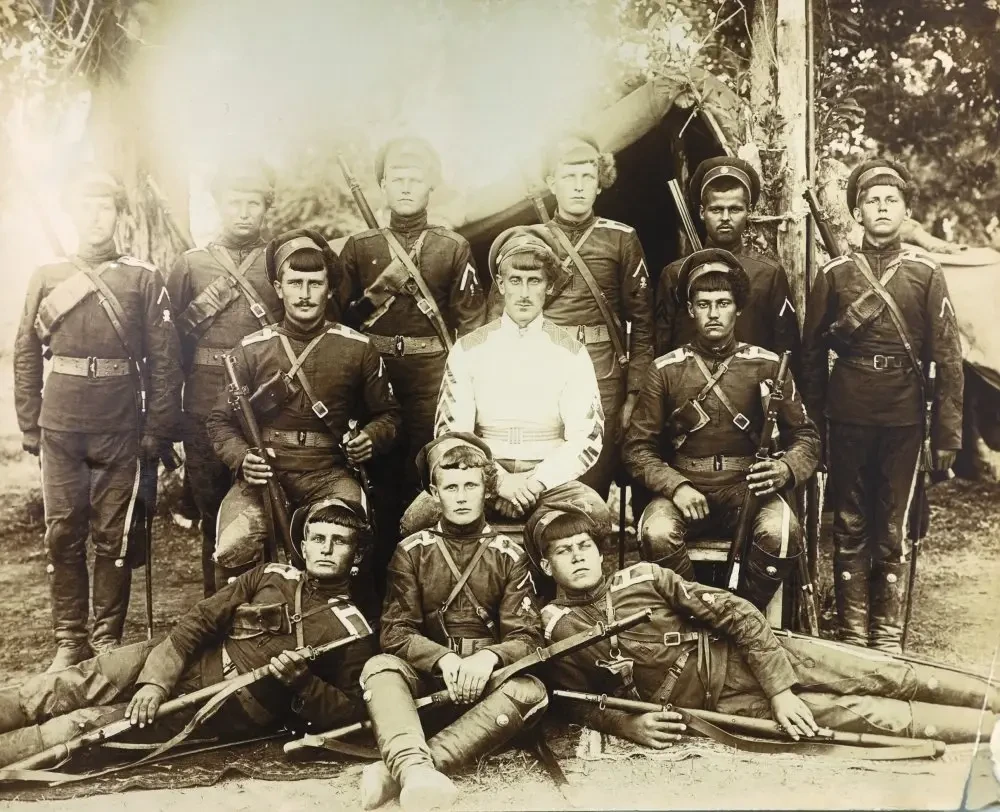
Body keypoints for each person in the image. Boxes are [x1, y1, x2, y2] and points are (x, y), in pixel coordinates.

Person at [528, 502, 998, 748]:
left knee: (886, 674)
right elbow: (570, 702)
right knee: (869, 716)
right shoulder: (558, 631)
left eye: (585, 546)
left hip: (756, 654)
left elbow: (738, 613)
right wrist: (628, 725)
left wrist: (779, 689)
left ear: (601, 552)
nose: (578, 557)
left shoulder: (646, 577)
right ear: (548, 567)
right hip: (723, 705)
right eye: (565, 552)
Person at [0, 498, 376, 768]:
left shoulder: (352, 631)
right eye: (318, 538)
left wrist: (304, 683)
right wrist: (155, 682)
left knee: (78, 728)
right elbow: (201, 619)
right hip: (180, 654)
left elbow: (348, 715)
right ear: (304, 546)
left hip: (220, 705)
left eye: (340, 541)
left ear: (356, 555)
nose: (326, 548)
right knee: (63, 685)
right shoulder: (270, 575)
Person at [13, 167, 183, 670]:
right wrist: (29, 422)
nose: (94, 217)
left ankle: (106, 641)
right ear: (71, 213)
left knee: (116, 535)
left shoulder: (142, 277)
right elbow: (26, 350)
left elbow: (165, 358)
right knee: (62, 533)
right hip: (61, 424)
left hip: (120, 424)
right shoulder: (48, 276)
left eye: (104, 207)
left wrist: (157, 429)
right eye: (84, 207)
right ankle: (70, 640)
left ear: (118, 216)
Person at [801, 159, 963, 653]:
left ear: (907, 210)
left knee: (893, 524)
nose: (883, 208)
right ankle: (852, 632)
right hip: (848, 413)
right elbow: (811, 359)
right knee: (849, 522)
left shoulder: (926, 272)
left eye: (892, 200)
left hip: (904, 415)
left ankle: (886, 635)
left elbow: (948, 357)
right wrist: (812, 430)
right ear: (857, 212)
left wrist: (947, 434)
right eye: (872, 201)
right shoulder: (834, 275)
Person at [358, 433, 547, 812]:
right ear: (434, 492)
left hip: (487, 688)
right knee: (379, 668)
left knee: (531, 690)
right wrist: (443, 660)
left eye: (471, 486)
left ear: (487, 491)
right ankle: (416, 771)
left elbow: (528, 636)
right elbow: (395, 631)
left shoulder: (509, 555)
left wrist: (488, 659)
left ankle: (406, 771)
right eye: (451, 487)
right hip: (430, 685)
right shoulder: (411, 552)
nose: (461, 497)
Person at [205, 230, 401, 595]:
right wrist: (242, 458)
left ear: (329, 289)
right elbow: (219, 421)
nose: (305, 293)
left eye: (315, 283)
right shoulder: (251, 349)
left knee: (344, 544)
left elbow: (389, 416)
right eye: (296, 283)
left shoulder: (357, 348)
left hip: (328, 474)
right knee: (233, 545)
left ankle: (338, 620)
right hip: (266, 473)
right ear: (279, 288)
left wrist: (370, 438)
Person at [623, 249, 820, 610]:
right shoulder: (665, 370)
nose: (713, 313)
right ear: (690, 309)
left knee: (782, 534)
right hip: (686, 488)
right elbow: (637, 449)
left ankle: (744, 615)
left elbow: (806, 437)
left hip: (747, 490)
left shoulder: (768, 366)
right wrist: (676, 486)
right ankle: (696, 616)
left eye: (723, 303)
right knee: (655, 532)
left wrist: (784, 468)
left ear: (738, 308)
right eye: (703, 304)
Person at [401, 225, 610, 537]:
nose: (524, 293)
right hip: (477, 473)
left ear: (548, 285)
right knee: (415, 520)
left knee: (597, 516)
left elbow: (587, 437)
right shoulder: (469, 349)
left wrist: (535, 481)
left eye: (534, 281)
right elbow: (451, 433)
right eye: (515, 280)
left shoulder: (571, 352)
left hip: (548, 477)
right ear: (500, 284)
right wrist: (497, 480)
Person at [338, 137, 486, 575]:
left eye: (415, 179)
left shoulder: (452, 247)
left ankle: (429, 578)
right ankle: (377, 585)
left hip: (431, 383)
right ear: (383, 186)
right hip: (375, 382)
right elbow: (342, 325)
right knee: (377, 486)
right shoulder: (359, 248)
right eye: (397, 179)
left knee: (427, 481)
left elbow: (472, 327)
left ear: (430, 186)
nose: (405, 187)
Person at [487, 133, 655, 498]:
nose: (578, 186)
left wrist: (634, 392)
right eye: (568, 177)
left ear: (599, 184)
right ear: (551, 183)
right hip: (541, 370)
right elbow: (500, 316)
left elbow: (642, 322)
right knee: (540, 468)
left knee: (591, 475)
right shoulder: (529, 240)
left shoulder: (621, 239)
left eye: (587, 177)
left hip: (603, 374)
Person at [167, 161, 283, 597]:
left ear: (265, 208)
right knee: (213, 513)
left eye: (253, 203)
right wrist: (169, 413)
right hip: (203, 406)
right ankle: (216, 608)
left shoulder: (278, 262)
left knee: (269, 509)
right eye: (235, 202)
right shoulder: (191, 265)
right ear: (218, 205)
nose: (244, 212)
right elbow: (171, 345)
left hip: (266, 404)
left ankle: (266, 606)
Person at [656, 158, 801, 373]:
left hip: (753, 384)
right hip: (689, 386)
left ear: (749, 210)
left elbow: (786, 347)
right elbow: (661, 348)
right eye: (716, 210)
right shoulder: (675, 274)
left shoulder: (769, 274)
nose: (725, 218)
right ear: (702, 212)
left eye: (734, 209)